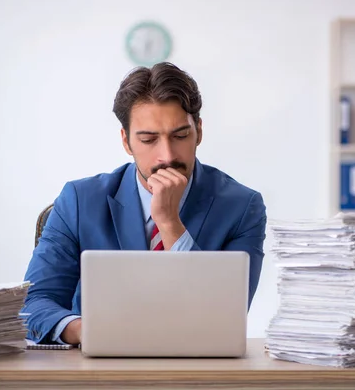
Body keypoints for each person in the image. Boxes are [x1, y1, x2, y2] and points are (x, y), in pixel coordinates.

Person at [22, 62, 267, 345]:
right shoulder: (79, 200)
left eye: (180, 136)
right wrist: (86, 331)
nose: (166, 155)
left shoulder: (242, 206)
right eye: (149, 139)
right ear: (127, 142)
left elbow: (227, 314)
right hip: (96, 370)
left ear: (198, 131)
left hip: (198, 369)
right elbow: (34, 304)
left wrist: (170, 223)